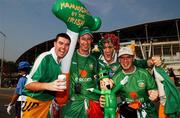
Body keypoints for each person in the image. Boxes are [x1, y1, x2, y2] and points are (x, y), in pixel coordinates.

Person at [21, 33, 71, 117]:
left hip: (48, 104)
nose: (63, 47)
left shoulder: (63, 63)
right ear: (55, 44)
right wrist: (48, 86)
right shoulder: (44, 58)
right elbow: (28, 84)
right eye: (61, 43)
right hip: (33, 103)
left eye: (67, 45)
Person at [62, 28, 103, 118]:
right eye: (83, 39)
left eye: (88, 39)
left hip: (92, 102)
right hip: (73, 102)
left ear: (92, 41)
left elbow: (97, 81)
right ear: (78, 40)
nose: (86, 42)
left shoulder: (94, 59)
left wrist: (99, 96)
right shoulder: (69, 57)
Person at [110, 47, 158, 118]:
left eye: (128, 57)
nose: (125, 60)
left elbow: (155, 96)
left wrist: (155, 96)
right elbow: (110, 96)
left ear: (133, 58)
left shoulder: (144, 74)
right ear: (119, 60)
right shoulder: (116, 78)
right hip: (127, 113)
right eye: (122, 58)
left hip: (147, 112)